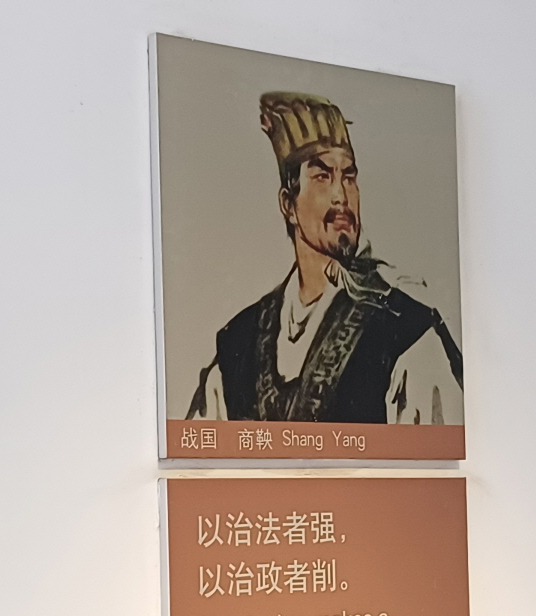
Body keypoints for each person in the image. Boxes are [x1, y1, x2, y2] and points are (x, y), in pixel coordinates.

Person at [187, 92, 462, 426]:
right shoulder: (237, 344)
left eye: (349, 177)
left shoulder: (408, 334)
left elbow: (436, 454)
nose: (341, 196)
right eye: (322, 177)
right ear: (288, 204)